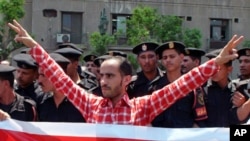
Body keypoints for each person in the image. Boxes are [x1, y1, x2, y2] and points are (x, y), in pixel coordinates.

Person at [7, 19, 243, 125]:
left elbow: (181, 86)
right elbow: (60, 78)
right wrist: (33, 46)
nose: (103, 81)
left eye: (110, 76)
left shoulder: (144, 107)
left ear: (127, 79)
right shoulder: (90, 104)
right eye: (101, 76)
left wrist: (215, 62)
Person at [197, 49, 248, 127]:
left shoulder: (238, 89)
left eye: (218, 69)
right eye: (211, 68)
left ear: (229, 69)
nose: (213, 72)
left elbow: (237, 119)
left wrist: (241, 105)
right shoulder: (201, 89)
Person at [152, 41, 198, 128]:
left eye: (172, 56)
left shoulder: (193, 86)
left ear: (181, 57)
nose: (168, 60)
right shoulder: (154, 87)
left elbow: (199, 120)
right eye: (165, 58)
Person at [37, 53, 85, 122]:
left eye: (43, 75)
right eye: (39, 75)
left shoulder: (81, 100)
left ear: (58, 76)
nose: (39, 80)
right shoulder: (41, 100)